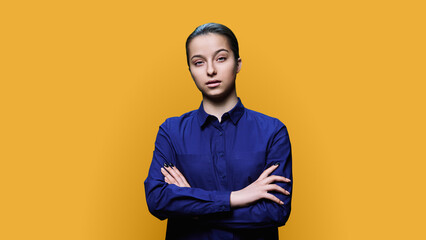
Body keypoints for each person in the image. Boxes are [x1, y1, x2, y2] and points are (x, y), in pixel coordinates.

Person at [144, 23, 293, 240]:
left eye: (221, 58)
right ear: (190, 70)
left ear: (238, 64)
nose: (210, 70)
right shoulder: (171, 132)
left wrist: (192, 207)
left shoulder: (273, 131)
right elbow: (157, 199)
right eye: (198, 62)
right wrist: (236, 198)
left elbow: (275, 212)